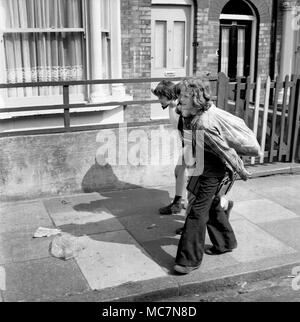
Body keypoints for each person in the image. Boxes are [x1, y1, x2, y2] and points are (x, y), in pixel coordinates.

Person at [173, 78, 251, 275]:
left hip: (214, 171)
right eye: (180, 96)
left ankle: (188, 260)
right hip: (201, 167)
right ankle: (226, 242)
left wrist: (241, 170)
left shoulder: (204, 124)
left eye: (185, 97)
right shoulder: (188, 115)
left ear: (197, 99)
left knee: (197, 212)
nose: (180, 100)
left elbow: (225, 151)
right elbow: (190, 142)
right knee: (213, 205)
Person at [152, 80, 194, 215]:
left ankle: (189, 212)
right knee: (179, 171)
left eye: (160, 97)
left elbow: (179, 125)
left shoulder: (180, 107)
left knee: (193, 177)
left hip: (195, 144)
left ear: (169, 95)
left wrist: (173, 107)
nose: (159, 100)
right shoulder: (173, 105)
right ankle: (177, 203)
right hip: (187, 143)